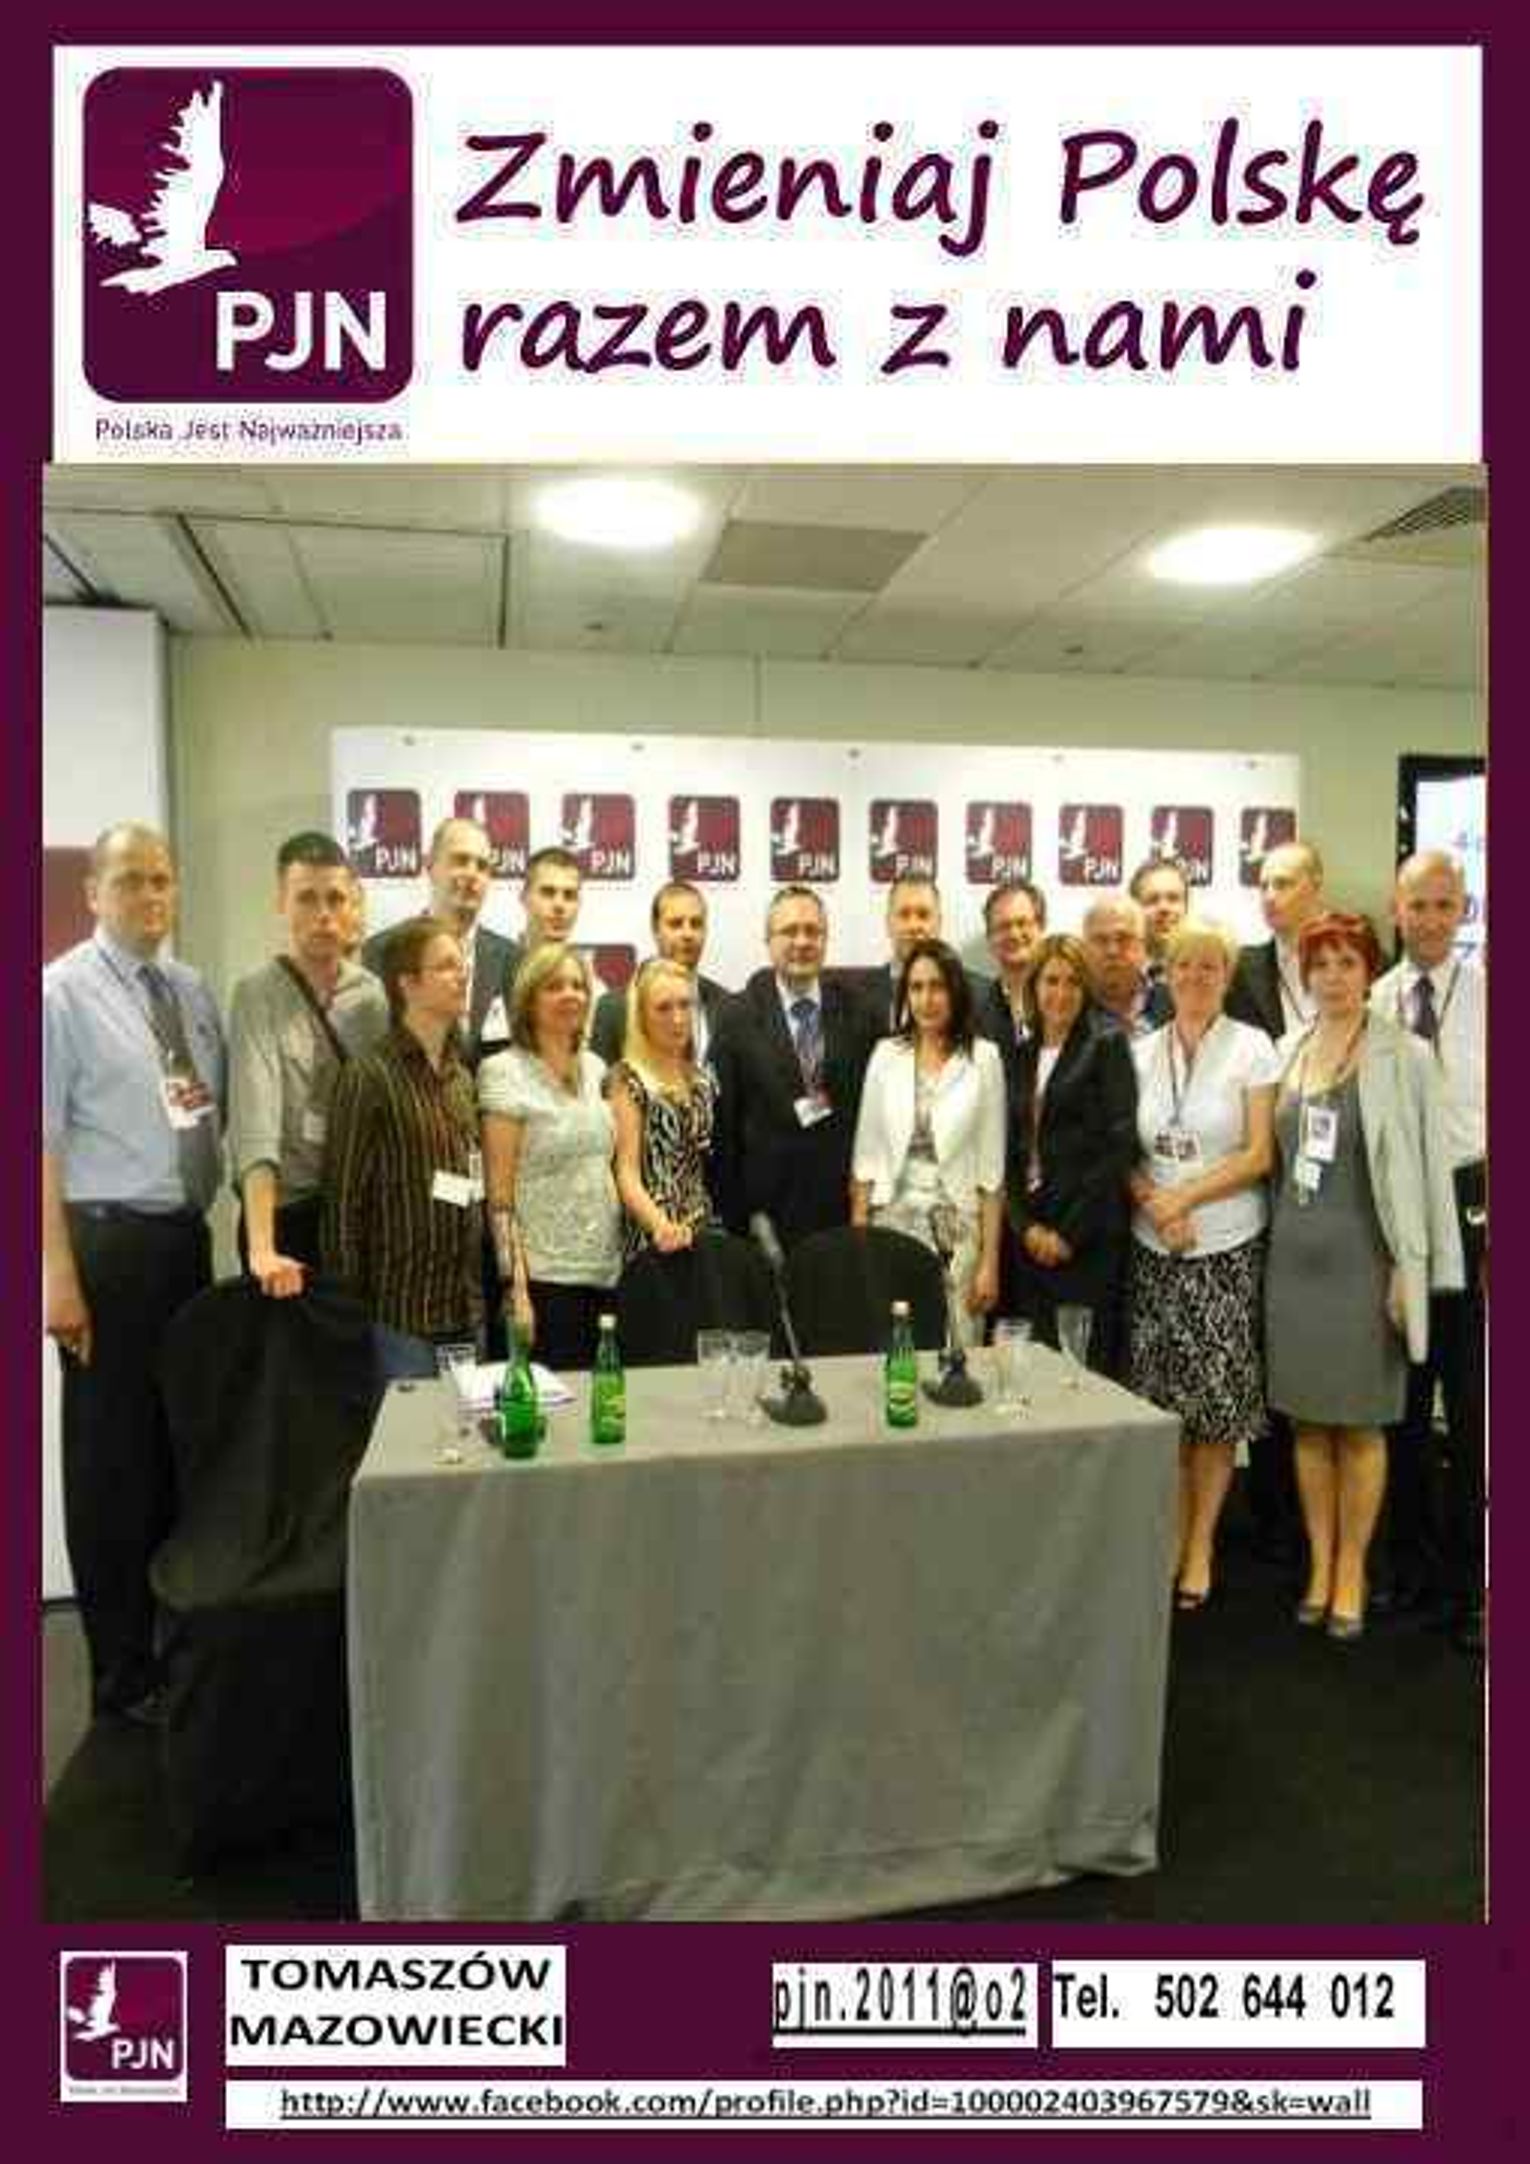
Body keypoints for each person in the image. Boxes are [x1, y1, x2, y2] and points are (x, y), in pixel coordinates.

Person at [43, 823, 225, 1723]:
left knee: (174, 1453)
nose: (150, 896)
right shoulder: (59, 994)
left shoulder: (189, 991)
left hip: (183, 1243)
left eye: (161, 880)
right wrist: (55, 1274)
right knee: (110, 1463)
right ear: (93, 892)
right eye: (130, 881)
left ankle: (168, 1650)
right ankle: (119, 1674)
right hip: (105, 1249)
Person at [1265, 911, 1462, 1640]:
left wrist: (1416, 1270)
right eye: (1321, 964)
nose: (1333, 977)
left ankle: (1354, 1569)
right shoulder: (1286, 1050)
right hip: (1292, 1268)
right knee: (1308, 1423)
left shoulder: (1405, 1055)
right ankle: (1321, 1566)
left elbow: (1431, 1172)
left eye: (1348, 963)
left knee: (1361, 1425)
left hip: (1368, 1267)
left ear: (1369, 971)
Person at [1126, 920, 1281, 1609]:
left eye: (1209, 966)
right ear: (1165, 973)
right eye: (1183, 965)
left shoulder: (1253, 1048)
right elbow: (1122, 1150)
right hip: (1154, 1246)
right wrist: (1156, 1204)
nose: (1194, 977)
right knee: (1163, 1405)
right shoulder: (1139, 1050)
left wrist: (1183, 1198)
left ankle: (1201, 1546)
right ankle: (1169, 1534)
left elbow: (1258, 1154)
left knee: (1215, 1410)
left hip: (1225, 1246)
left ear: (1227, 975)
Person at [1371, 852, 1487, 1653]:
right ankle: (1408, 1571)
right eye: (1419, 904)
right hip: (1397, 1208)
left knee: (1473, 1410)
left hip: (1475, 1200)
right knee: (1404, 1407)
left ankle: (1474, 1587)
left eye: (1446, 904)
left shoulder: (1490, 993)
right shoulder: (1374, 999)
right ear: (1397, 908)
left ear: (1464, 909)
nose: (1432, 918)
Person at [322, 917, 484, 1382]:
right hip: (399, 1318)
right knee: (409, 1431)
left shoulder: (461, 1078)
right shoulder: (369, 1076)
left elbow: (472, 1184)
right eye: (446, 966)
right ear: (408, 984)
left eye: (462, 965)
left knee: (468, 1428)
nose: (462, 975)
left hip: (465, 1311)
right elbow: (343, 1207)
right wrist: (349, 1317)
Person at [228, 831, 389, 1294]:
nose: (323, 914)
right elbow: (254, 1126)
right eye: (306, 898)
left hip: (353, 1219)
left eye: (335, 898)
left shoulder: (371, 996)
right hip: (284, 1217)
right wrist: (262, 1247)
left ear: (353, 905)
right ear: (282, 902)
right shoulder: (257, 994)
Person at [850, 940, 1006, 1344]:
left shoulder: (984, 1058)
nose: (926, 999)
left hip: (956, 1230)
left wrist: (989, 1263)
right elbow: (865, 1158)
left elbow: (991, 1174)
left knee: (956, 1348)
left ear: (956, 991)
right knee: (895, 1347)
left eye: (937, 987)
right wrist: (859, 1243)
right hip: (892, 1224)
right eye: (916, 988)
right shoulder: (886, 1054)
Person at [477, 942, 621, 1370]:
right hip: (543, 1281)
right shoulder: (503, 1071)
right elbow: (499, 1198)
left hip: (606, 1273)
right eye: (554, 986)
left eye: (578, 985)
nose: (570, 994)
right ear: (528, 999)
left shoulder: (596, 1067)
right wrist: (516, 1289)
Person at [710, 885, 879, 1247]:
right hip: (767, 1221)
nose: (802, 941)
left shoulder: (860, 1012)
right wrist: (741, 1216)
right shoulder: (736, 1017)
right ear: (768, 941)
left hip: (847, 1212)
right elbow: (724, 1129)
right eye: (789, 931)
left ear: (826, 939)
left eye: (812, 931)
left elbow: (875, 1116)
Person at [1006, 931, 1138, 1371]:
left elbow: (1120, 1146)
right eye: (1051, 980)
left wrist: (1068, 1234)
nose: (1060, 993)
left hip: (1086, 1241)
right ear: (1034, 986)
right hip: (1030, 1242)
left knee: (1083, 1373)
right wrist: (1025, 1227)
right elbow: (1008, 1149)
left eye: (1072, 982)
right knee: (1034, 1373)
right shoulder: (1020, 1052)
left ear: (1086, 989)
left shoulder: (1106, 1044)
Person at [362, 815, 516, 1064]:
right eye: (460, 860)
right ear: (430, 866)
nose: (472, 874)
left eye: (482, 866)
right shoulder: (381, 951)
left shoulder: (513, 959)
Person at [609, 958, 717, 1258]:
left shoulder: (700, 1078)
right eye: (663, 1008)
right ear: (641, 1016)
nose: (678, 1018)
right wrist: (662, 1226)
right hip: (652, 1239)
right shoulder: (627, 1080)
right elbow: (626, 1173)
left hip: (701, 1231)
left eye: (685, 1005)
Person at [590, 880, 731, 1066]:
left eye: (696, 924)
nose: (687, 934)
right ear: (656, 930)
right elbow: (600, 1080)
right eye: (676, 924)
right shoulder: (613, 1008)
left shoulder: (727, 1005)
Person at [848, 876, 986, 1035]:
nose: (913, 926)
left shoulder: (979, 993)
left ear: (939, 922)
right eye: (904, 915)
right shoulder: (856, 998)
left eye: (923, 915)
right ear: (888, 923)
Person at [1227, 839, 1326, 1044]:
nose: (1269, 897)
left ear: (1315, 888)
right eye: (1264, 887)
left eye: (1282, 884)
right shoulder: (1239, 969)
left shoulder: (1359, 960)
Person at [1081, 895, 1170, 1035]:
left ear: (1143, 945)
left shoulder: (1174, 1002)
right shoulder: (1070, 1008)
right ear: (1084, 948)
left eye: (1123, 938)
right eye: (1101, 940)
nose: (1112, 951)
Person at [978, 878, 1047, 1051]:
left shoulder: (1066, 999)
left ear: (1041, 927)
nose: (1014, 934)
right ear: (989, 937)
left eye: (1022, 923)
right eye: (1003, 926)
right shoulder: (974, 1012)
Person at [1129, 855, 1191, 1000]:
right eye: (1152, 900)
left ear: (1186, 907)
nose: (1164, 908)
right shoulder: (1115, 975)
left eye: (1173, 899)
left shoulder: (1209, 978)